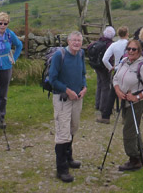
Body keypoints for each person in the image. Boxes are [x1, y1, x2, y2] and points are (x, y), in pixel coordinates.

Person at [49, 31, 87, 183]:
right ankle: (62, 169)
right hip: (62, 99)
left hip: (78, 98)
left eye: (79, 40)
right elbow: (52, 79)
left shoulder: (81, 54)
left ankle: (69, 157)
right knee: (63, 132)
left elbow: (83, 73)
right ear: (68, 41)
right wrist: (67, 90)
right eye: (74, 40)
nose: (77, 43)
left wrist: (84, 87)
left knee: (73, 128)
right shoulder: (60, 55)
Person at [112, 39, 143, 171]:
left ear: (139, 51)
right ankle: (141, 158)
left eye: (134, 49)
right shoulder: (124, 62)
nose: (130, 51)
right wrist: (118, 90)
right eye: (129, 49)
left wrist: (136, 97)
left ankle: (134, 160)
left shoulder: (142, 66)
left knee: (128, 131)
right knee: (134, 130)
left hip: (136, 103)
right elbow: (115, 78)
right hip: (124, 100)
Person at [0, 12, 23, 129]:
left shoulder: (9, 34)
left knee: (3, 95)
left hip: (6, 67)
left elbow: (19, 45)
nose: (2, 25)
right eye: (0, 23)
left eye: (5, 23)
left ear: (8, 24)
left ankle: (0, 118)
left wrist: (14, 58)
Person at [96, 26, 129, 124]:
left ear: (118, 34)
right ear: (127, 33)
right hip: (128, 70)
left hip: (117, 71)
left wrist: (111, 68)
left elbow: (104, 59)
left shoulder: (114, 45)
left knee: (113, 93)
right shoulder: (130, 44)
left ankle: (106, 116)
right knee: (126, 93)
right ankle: (125, 117)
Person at [93, 26, 115, 117]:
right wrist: (110, 67)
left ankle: (97, 104)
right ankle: (103, 106)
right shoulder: (110, 44)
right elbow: (109, 57)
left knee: (99, 84)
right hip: (105, 67)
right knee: (106, 86)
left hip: (97, 66)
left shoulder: (98, 41)